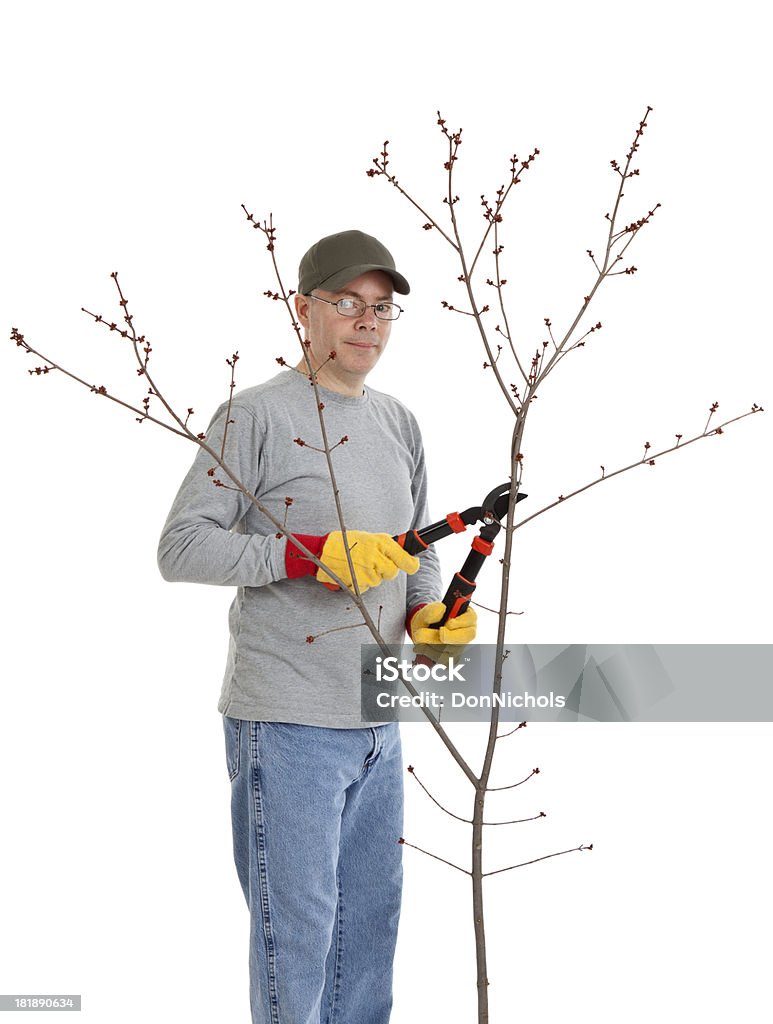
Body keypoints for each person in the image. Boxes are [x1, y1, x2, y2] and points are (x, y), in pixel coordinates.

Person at [157, 229, 477, 1023]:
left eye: (382, 308)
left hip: (376, 713)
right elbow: (180, 548)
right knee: (296, 940)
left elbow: (418, 548)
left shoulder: (399, 423)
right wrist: (307, 555)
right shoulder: (255, 416)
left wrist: (428, 617)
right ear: (305, 310)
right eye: (346, 304)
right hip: (287, 719)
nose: (367, 322)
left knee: (368, 933)